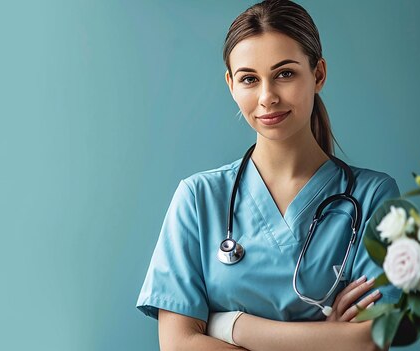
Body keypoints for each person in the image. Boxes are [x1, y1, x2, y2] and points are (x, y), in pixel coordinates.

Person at [135, 1, 403, 350]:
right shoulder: (198, 198)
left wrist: (233, 326)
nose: (267, 97)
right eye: (249, 79)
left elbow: (369, 340)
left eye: (285, 74)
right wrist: (328, 339)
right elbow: (178, 345)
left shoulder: (374, 197)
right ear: (231, 85)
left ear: (318, 74)